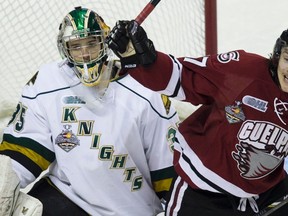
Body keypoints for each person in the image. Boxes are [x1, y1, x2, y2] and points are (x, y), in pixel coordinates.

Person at [0, 7, 180, 216]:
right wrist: (4, 185)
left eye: (91, 44)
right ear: (65, 49)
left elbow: (170, 174)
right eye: (76, 46)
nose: (84, 53)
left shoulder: (147, 93)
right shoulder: (48, 82)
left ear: (104, 42)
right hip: (66, 194)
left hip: (128, 209)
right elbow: (24, 150)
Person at [105, 20, 288, 215]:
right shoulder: (243, 70)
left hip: (262, 195)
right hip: (202, 191)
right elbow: (182, 77)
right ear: (277, 56)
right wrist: (144, 58)